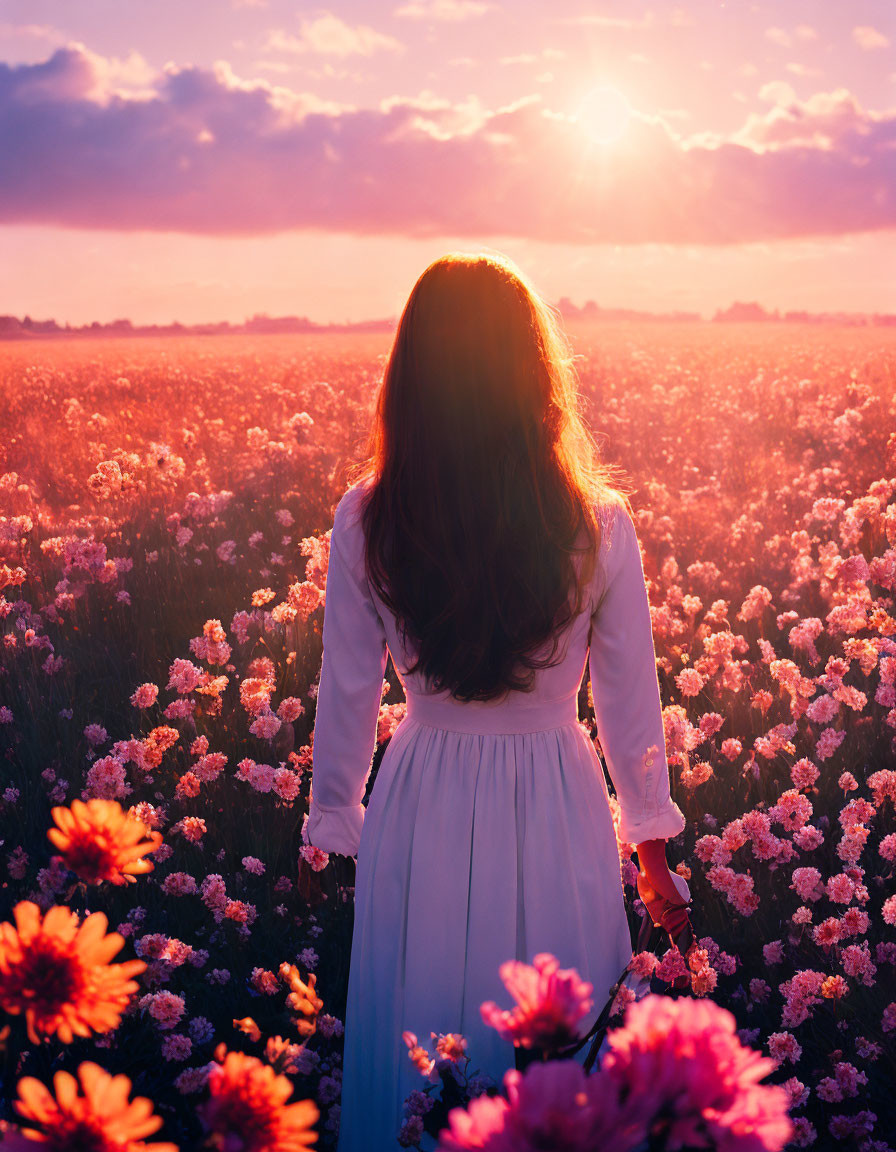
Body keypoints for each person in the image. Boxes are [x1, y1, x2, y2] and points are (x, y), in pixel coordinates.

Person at [305, 251, 688, 1151]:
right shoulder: (597, 522)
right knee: (560, 1055)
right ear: (534, 376)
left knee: (422, 1037)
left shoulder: (368, 518)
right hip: (557, 799)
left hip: (419, 798)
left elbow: (349, 690)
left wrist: (332, 822)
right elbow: (632, 702)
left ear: (415, 378)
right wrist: (653, 851)